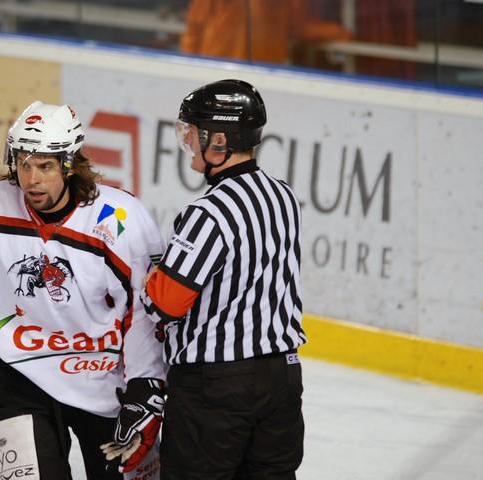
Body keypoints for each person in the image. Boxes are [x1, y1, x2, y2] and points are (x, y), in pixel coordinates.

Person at [0, 101, 166, 479]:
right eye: (23, 165)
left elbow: (140, 309)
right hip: (16, 376)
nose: (32, 180)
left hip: (102, 378)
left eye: (45, 167)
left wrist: (146, 384)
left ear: (69, 166)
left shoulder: (119, 218)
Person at [141, 79, 306, 479]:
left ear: (219, 140)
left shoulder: (208, 214)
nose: (187, 140)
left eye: (193, 132)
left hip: (216, 388)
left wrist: (152, 275)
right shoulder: (283, 196)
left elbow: (165, 304)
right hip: (282, 378)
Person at [180, 0, 350, 65]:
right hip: (218, 69)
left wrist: (336, 33)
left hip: (264, 73)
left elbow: (296, 27)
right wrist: (189, 67)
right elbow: (194, 28)